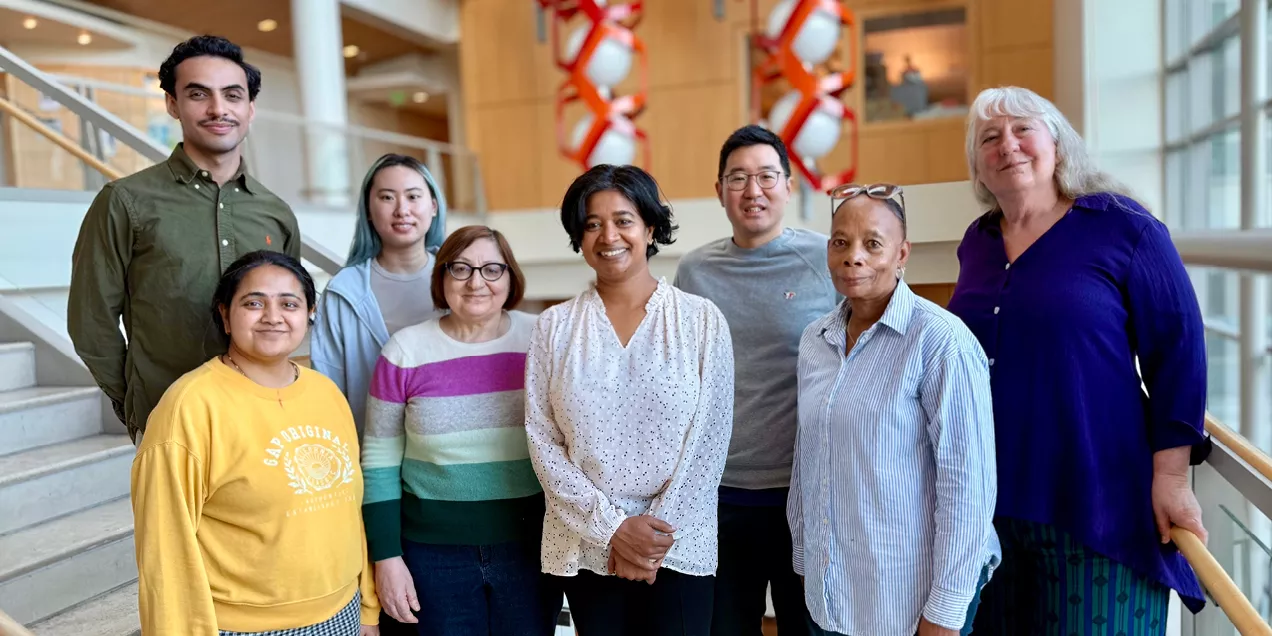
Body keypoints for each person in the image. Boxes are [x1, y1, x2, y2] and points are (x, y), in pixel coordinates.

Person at [946, 86, 1209, 634]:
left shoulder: (1122, 226)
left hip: (1099, 501)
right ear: (978, 166)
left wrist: (1173, 477)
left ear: (1058, 145)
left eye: (1024, 130)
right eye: (989, 138)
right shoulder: (977, 242)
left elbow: (1179, 349)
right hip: (989, 511)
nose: (1008, 146)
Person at [525, 164, 735, 636]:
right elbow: (543, 442)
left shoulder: (701, 321)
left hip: (678, 542)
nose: (608, 235)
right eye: (592, 223)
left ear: (650, 227)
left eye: (623, 219)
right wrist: (614, 531)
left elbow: (710, 442)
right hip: (586, 542)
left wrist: (649, 538)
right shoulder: (553, 328)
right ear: (578, 237)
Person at [131, 251, 378, 636]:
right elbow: (165, 552)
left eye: (289, 303)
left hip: (341, 615)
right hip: (244, 628)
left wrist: (367, 607)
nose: (273, 316)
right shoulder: (190, 406)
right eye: (253, 303)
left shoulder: (326, 393)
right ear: (225, 315)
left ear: (309, 313)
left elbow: (348, 514)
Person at [790, 183, 999, 636]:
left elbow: (968, 489)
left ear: (902, 254)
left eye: (873, 244)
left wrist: (944, 613)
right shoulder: (815, 342)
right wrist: (805, 559)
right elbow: (806, 459)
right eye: (840, 243)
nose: (854, 257)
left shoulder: (942, 342)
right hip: (831, 595)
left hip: (910, 601)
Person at [68, 35, 299, 444]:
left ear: (250, 108)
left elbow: (288, 315)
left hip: (264, 421)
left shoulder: (276, 213)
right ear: (172, 104)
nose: (218, 109)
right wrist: (137, 404)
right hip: (168, 422)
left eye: (232, 95)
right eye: (198, 94)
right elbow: (92, 321)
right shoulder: (124, 201)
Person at [673, 124, 834, 636]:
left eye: (766, 176)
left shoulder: (828, 258)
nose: (752, 190)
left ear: (789, 185)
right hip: (720, 494)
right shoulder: (695, 271)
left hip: (808, 491)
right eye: (737, 178)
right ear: (719, 190)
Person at [362, 226, 562, 635]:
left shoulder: (542, 337)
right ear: (441, 276)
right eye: (461, 269)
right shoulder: (404, 351)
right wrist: (386, 557)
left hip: (531, 547)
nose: (476, 282)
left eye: (492, 269)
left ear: (511, 277)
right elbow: (379, 462)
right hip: (431, 555)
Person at [310, 153, 447, 440]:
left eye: (413, 196)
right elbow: (327, 389)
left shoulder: (461, 281)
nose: (402, 210)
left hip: (448, 455)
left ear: (433, 206)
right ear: (369, 210)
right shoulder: (342, 292)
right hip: (369, 455)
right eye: (387, 197)